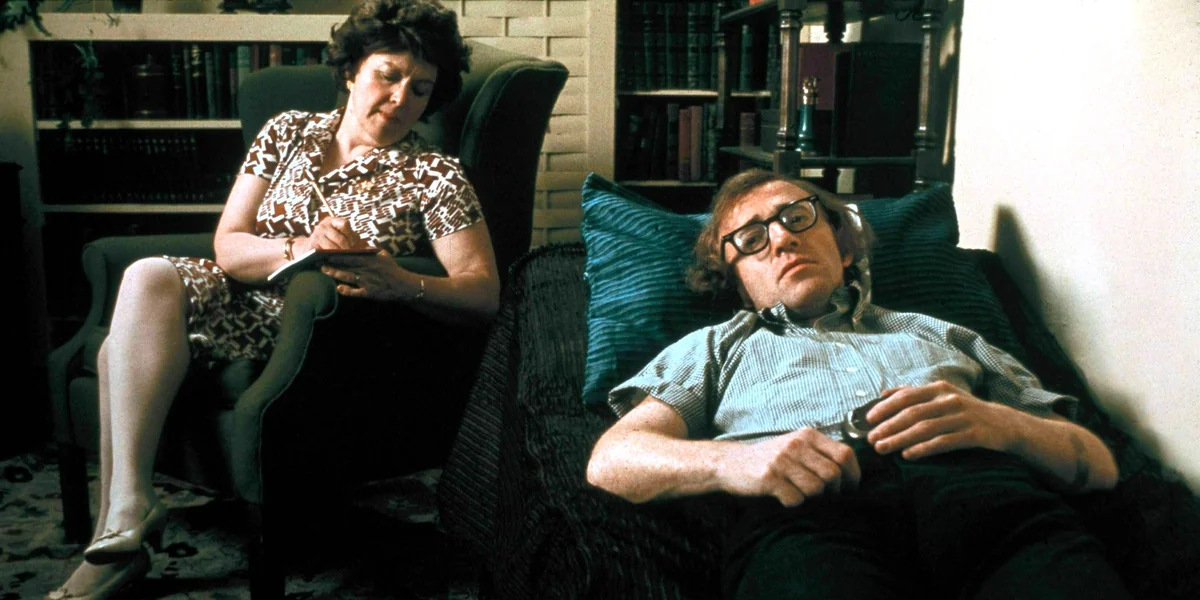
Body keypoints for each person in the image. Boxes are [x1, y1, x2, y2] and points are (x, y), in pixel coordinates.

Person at [45, 1, 494, 599]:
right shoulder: (287, 131)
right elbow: (229, 245)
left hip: (320, 328)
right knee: (148, 275)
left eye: (421, 89)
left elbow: (483, 291)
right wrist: (304, 245)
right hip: (240, 297)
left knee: (114, 354)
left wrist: (399, 280)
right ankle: (129, 508)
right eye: (388, 75)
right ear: (351, 72)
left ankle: (117, 536)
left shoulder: (435, 175)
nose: (400, 98)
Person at [586, 169, 1130, 599]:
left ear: (843, 246)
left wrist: (1003, 424)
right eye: (751, 239)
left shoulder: (943, 332)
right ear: (740, 284)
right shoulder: (713, 346)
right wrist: (737, 462)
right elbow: (613, 459)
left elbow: (1098, 465)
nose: (781, 239)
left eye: (797, 217)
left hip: (983, 495)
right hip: (809, 514)